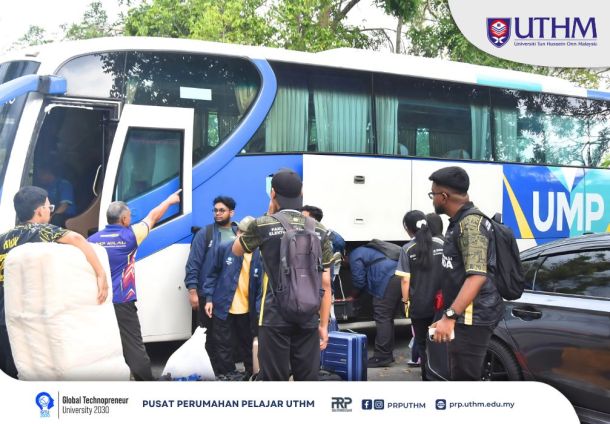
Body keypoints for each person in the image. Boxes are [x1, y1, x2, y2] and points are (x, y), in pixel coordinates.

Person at [232, 168, 333, 381]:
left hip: (273, 314)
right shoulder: (320, 230)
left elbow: (237, 249)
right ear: (301, 193)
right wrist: (324, 325)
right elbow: (325, 282)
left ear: (273, 193)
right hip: (308, 314)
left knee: (274, 380)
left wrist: (268, 213)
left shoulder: (263, 224)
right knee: (308, 379)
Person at [0, 186, 108, 378]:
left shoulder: (3, 238)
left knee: (9, 371)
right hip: (32, 316)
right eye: (49, 207)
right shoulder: (41, 231)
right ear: (39, 211)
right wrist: (101, 274)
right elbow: (76, 238)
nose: (50, 211)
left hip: (4, 317)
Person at [88, 190, 181, 381]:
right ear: (123, 219)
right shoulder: (130, 236)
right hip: (122, 300)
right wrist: (169, 201)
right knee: (133, 344)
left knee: (103, 344)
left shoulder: (92, 241)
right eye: (129, 216)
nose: (130, 219)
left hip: (99, 300)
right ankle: (145, 381)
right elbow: (153, 216)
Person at [428, 166, 503, 381]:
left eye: (433, 194)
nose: (432, 199)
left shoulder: (470, 225)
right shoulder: (459, 222)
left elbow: (477, 276)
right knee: (460, 376)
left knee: (465, 384)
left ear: (444, 197)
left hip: (472, 318)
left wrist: (450, 316)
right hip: (464, 316)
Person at [203, 216, 262, 379]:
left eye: (244, 233)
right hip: (223, 306)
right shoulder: (225, 248)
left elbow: (261, 288)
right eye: (239, 231)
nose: (239, 235)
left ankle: (251, 373)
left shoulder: (260, 254)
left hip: (248, 310)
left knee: (247, 344)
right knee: (223, 345)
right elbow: (212, 274)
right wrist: (209, 299)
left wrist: (258, 312)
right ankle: (227, 375)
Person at [184, 195, 238, 374]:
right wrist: (193, 291)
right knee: (207, 336)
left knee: (227, 337)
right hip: (207, 294)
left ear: (231, 212)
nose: (217, 213)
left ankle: (226, 372)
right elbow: (193, 264)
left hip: (232, 296)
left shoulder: (238, 233)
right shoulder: (205, 234)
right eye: (215, 210)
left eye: (222, 210)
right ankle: (210, 372)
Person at [395, 210, 444, 380]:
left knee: (423, 344)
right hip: (441, 306)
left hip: (419, 306)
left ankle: (427, 378)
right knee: (440, 343)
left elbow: (405, 281)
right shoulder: (441, 245)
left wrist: (405, 302)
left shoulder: (407, 249)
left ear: (408, 228)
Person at [349, 239, 402, 368]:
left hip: (386, 276)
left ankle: (382, 356)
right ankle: (387, 354)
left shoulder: (354, 255)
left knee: (382, 316)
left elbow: (359, 281)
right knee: (387, 317)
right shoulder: (369, 250)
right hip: (398, 274)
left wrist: (352, 296)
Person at [36, 163, 77, 227]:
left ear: (47, 173)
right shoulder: (47, 187)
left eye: (40, 174)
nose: (39, 178)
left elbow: (64, 206)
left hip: (66, 216)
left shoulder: (64, 184)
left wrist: (50, 218)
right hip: (53, 213)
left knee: (56, 219)